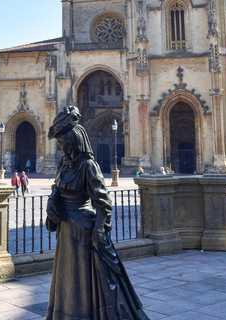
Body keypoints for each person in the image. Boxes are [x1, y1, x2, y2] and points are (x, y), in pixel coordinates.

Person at [46, 106, 149, 320]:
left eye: (62, 144)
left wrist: (99, 232)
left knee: (85, 278)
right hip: (66, 230)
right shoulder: (63, 164)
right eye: (58, 144)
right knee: (68, 277)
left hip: (84, 230)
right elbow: (57, 187)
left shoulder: (88, 166)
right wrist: (52, 199)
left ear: (73, 143)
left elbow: (103, 203)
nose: (60, 148)